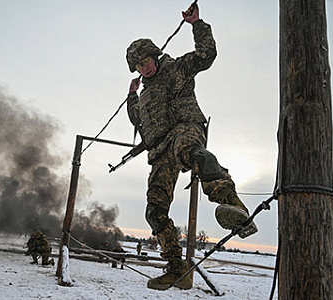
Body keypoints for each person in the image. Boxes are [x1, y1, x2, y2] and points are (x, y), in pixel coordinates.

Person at [125, 3, 257, 290]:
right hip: (160, 151)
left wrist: (197, 24)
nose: (144, 67)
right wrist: (132, 96)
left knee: (195, 154)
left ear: (155, 57)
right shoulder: (145, 96)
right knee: (154, 210)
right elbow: (137, 120)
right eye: (138, 65)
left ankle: (233, 206)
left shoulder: (176, 69)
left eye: (146, 60)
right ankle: (176, 269)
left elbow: (206, 55)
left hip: (184, 130)